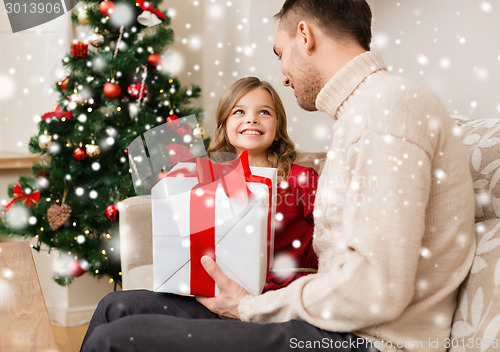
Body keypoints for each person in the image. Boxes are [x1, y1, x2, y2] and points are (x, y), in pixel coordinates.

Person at [81, 1, 476, 351]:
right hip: (331, 323)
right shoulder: (363, 113)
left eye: (280, 53)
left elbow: (376, 289)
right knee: (116, 306)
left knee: (115, 341)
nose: (284, 76)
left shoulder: (386, 108)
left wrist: (249, 306)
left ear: (304, 36)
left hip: (364, 340)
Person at [206, 76, 318, 292]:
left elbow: (339, 236)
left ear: (277, 131)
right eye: (239, 111)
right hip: (227, 295)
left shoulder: (302, 179)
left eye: (264, 112)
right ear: (225, 127)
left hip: (287, 297)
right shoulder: (214, 187)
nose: (252, 119)